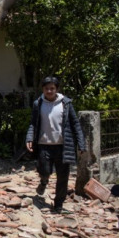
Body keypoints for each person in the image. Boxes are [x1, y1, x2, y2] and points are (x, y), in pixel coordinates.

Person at [25, 76, 86, 213]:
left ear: (57, 89)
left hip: (63, 146)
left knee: (63, 177)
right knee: (44, 170)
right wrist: (29, 138)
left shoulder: (66, 104)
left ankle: (58, 205)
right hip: (43, 144)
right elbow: (33, 123)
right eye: (46, 88)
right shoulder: (38, 103)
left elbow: (75, 124)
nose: (49, 91)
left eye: (52, 88)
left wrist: (81, 144)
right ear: (43, 89)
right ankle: (44, 181)